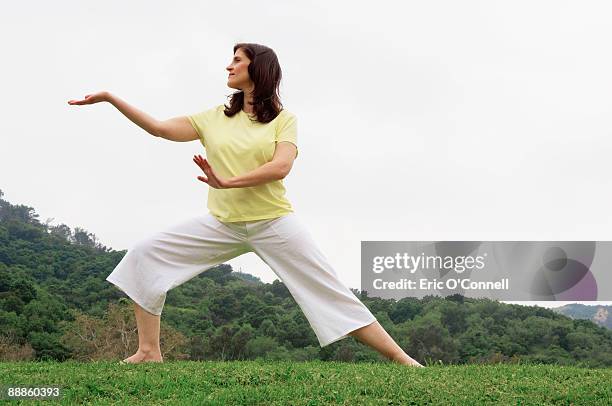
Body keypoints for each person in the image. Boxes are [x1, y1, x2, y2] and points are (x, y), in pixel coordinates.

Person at [68, 43, 424, 367]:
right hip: (223, 223)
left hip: (273, 223)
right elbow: (160, 128)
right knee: (144, 255)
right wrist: (112, 99)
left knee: (329, 291)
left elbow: (281, 166)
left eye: (237, 60)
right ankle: (148, 352)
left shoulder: (285, 120)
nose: (229, 66)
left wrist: (228, 182)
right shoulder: (214, 117)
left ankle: (402, 359)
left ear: (260, 69)